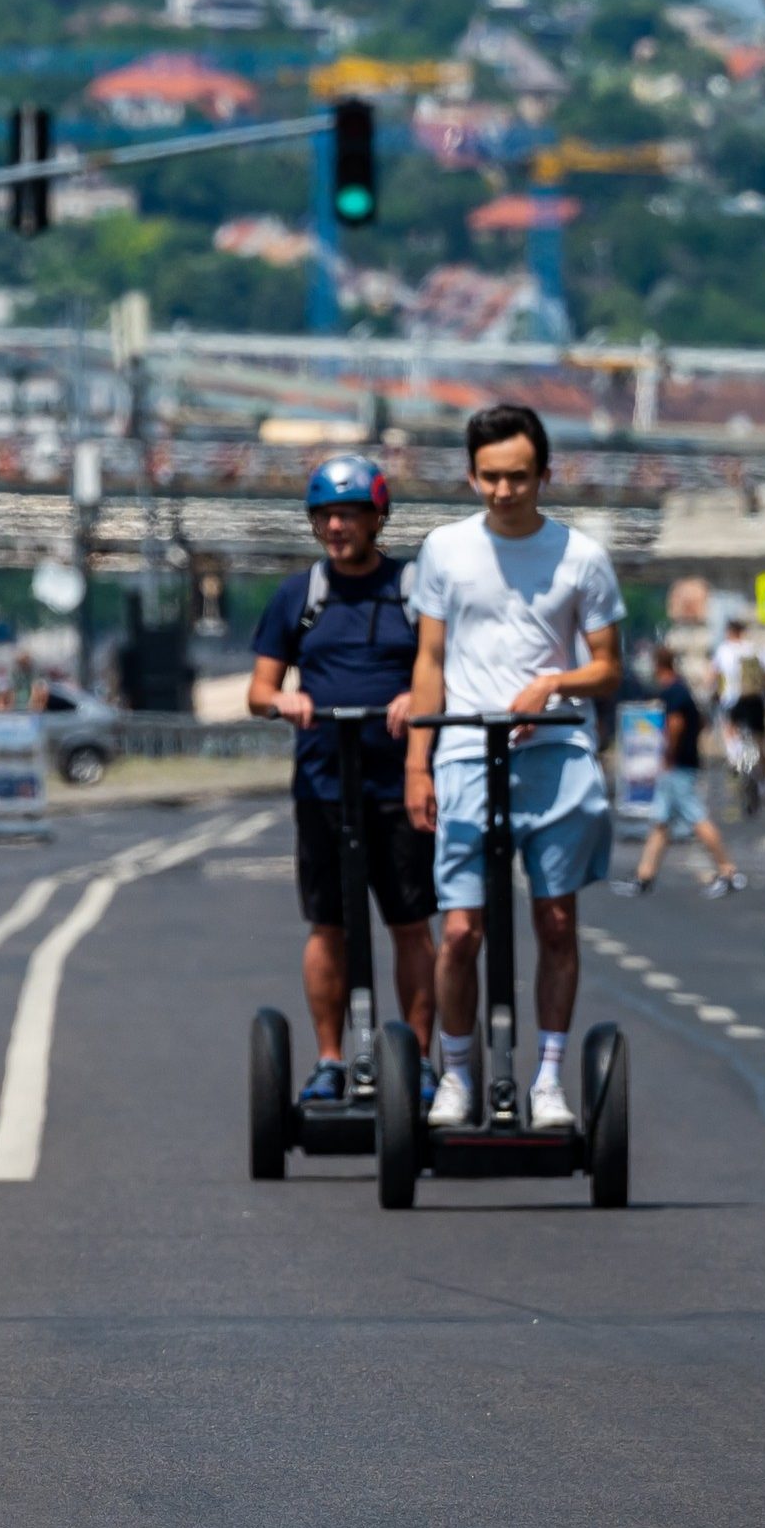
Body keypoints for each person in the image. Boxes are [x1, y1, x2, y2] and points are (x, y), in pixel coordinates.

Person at [404, 406, 624, 1133]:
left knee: (555, 921)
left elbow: (606, 669)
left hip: (556, 753)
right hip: (467, 749)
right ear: (470, 475)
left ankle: (550, 1079)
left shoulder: (581, 556)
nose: (503, 492)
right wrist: (417, 764)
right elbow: (430, 661)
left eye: (518, 478)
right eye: (490, 478)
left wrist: (551, 684)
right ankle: (458, 1075)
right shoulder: (442, 550)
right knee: (461, 929)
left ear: (544, 475)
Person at [247, 453, 435, 1105]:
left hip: (400, 787)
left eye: (348, 514)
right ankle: (331, 1060)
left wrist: (419, 698)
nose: (334, 526)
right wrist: (283, 702)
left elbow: (443, 667)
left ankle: (415, 1060)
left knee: (409, 923)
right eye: (324, 515)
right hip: (324, 786)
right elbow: (258, 688)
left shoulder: (413, 592)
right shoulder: (299, 596)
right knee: (327, 924)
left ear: (376, 517)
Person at [614, 647, 745, 899]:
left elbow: (675, 725)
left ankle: (728, 871)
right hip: (680, 764)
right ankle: (644, 876)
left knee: (697, 818)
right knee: (660, 823)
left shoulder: (673, 691)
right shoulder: (681, 689)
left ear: (657, 665)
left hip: (677, 766)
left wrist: (668, 755)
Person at [712, 613, 765, 800]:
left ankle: (736, 759)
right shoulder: (755, 649)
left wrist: (716, 691)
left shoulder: (724, 650)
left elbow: (713, 675)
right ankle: (764, 785)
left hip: (732, 702)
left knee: (729, 730)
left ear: (729, 632)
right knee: (761, 742)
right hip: (755, 701)